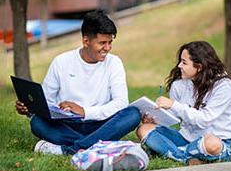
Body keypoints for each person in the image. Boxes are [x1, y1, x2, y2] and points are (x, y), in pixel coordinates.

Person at [15, 10, 141, 155]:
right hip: (67, 125)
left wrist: (85, 111)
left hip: (101, 124)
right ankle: (99, 145)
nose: (107, 48)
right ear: (86, 41)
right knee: (37, 122)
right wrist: (30, 109)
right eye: (102, 43)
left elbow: (121, 102)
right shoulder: (61, 62)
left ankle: (70, 150)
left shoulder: (114, 63)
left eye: (110, 42)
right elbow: (46, 102)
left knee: (133, 114)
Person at [136, 41, 231, 165]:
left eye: (184, 62)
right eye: (180, 61)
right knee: (144, 129)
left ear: (199, 67)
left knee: (212, 144)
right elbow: (176, 117)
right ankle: (185, 157)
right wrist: (156, 119)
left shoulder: (223, 86)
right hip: (185, 138)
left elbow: (205, 119)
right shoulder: (179, 85)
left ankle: (170, 151)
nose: (179, 66)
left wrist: (173, 105)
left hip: (214, 140)